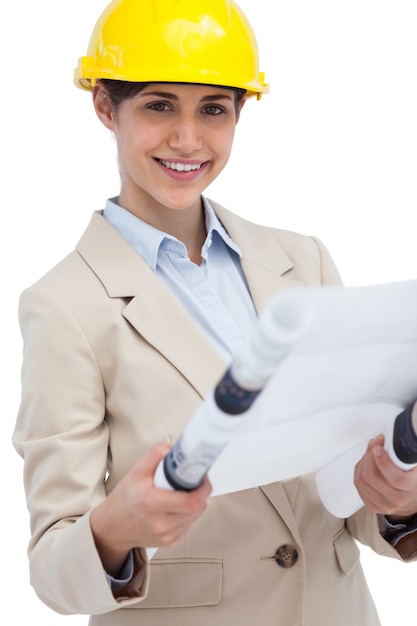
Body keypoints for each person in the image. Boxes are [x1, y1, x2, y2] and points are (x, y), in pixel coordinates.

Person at [12, 1, 417, 625]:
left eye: (213, 109)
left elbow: (347, 490)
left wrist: (396, 498)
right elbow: (52, 569)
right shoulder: (64, 306)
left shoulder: (301, 260)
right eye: (158, 105)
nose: (188, 139)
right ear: (103, 107)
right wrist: (113, 530)